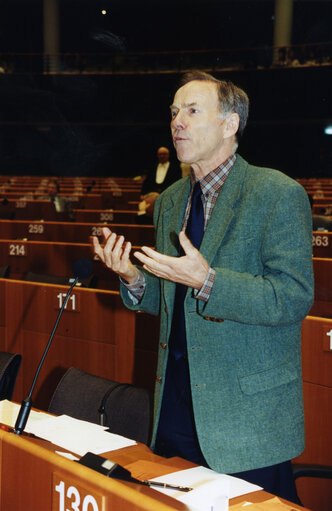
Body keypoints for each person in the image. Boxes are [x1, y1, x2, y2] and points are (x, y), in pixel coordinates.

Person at [92, 71, 314, 502]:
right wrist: (134, 278)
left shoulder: (277, 194)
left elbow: (291, 296)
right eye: (174, 112)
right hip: (174, 407)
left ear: (230, 124)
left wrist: (208, 280)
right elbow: (172, 302)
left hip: (245, 418)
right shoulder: (171, 201)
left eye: (192, 111)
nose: (177, 122)